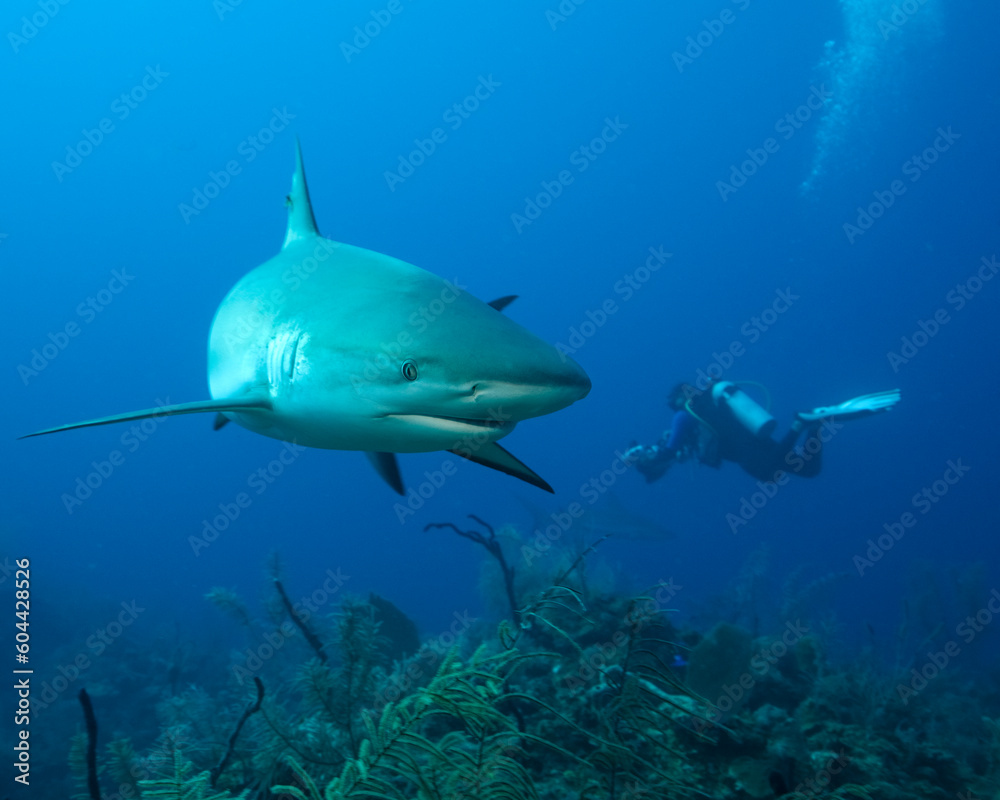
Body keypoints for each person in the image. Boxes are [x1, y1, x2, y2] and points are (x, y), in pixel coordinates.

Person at [625, 380, 900, 484]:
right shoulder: (708, 407)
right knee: (808, 470)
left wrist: (638, 455)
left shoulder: (683, 416)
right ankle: (814, 425)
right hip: (756, 441)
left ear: (675, 402)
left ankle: (801, 422)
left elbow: (669, 450)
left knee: (769, 468)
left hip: (749, 452)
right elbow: (679, 452)